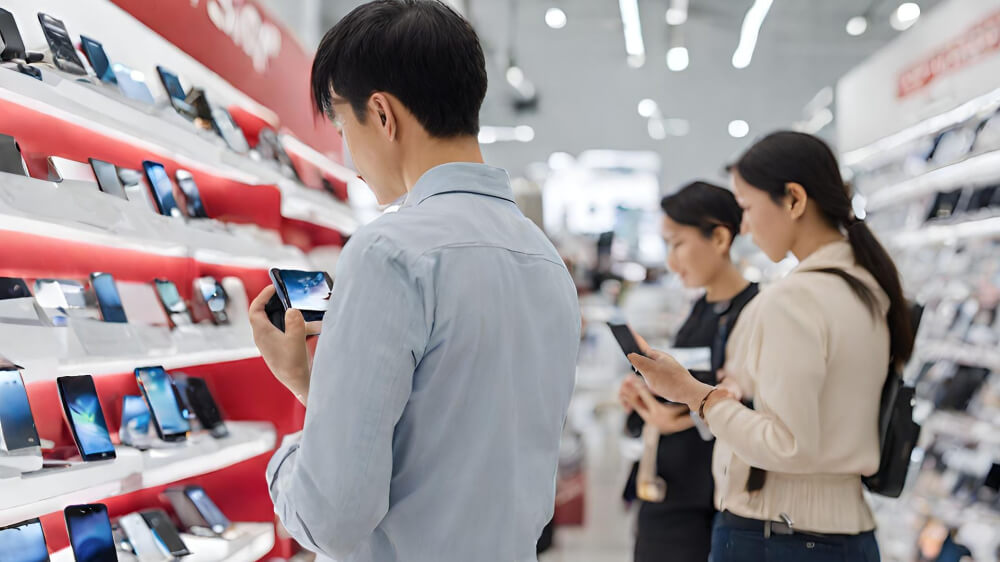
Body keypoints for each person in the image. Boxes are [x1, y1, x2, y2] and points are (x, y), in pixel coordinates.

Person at [247, 2, 581, 561]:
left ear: (381, 114)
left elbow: (332, 518)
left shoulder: (389, 251)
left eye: (341, 125)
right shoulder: (544, 258)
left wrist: (286, 457)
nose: (348, 155)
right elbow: (452, 438)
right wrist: (318, 391)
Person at [627, 131, 914, 561]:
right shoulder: (869, 288)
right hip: (847, 531)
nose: (743, 225)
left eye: (746, 207)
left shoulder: (793, 298)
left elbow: (786, 444)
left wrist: (693, 394)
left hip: (776, 533)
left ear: (794, 200)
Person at [618, 181, 758, 562]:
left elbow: (751, 406)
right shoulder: (700, 310)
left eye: (677, 243)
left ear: (719, 237)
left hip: (706, 502)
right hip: (669, 490)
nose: (671, 259)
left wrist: (676, 418)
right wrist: (645, 396)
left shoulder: (755, 313)